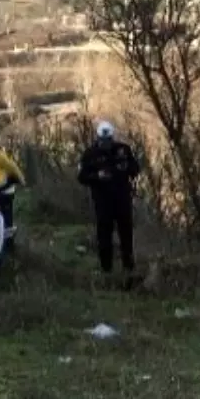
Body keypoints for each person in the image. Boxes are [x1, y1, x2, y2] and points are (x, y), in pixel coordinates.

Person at [77, 121, 140, 282]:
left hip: (122, 198)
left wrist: (126, 167)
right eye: (103, 140)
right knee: (104, 235)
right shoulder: (90, 154)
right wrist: (97, 176)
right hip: (102, 201)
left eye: (109, 140)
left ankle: (129, 266)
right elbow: (82, 177)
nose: (106, 144)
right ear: (98, 138)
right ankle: (106, 269)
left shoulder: (123, 150)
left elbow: (136, 168)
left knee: (126, 233)